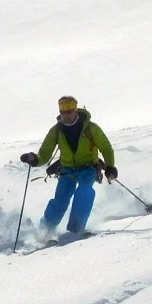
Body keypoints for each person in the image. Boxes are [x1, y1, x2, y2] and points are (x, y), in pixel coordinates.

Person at [19, 96, 117, 234]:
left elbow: (106, 148)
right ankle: (45, 232)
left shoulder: (90, 128)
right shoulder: (56, 130)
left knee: (84, 191)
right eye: (63, 111)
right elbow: (45, 153)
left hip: (88, 168)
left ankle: (76, 229)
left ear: (75, 109)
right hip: (67, 170)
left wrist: (110, 166)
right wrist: (34, 159)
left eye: (69, 110)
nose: (66, 114)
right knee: (60, 200)